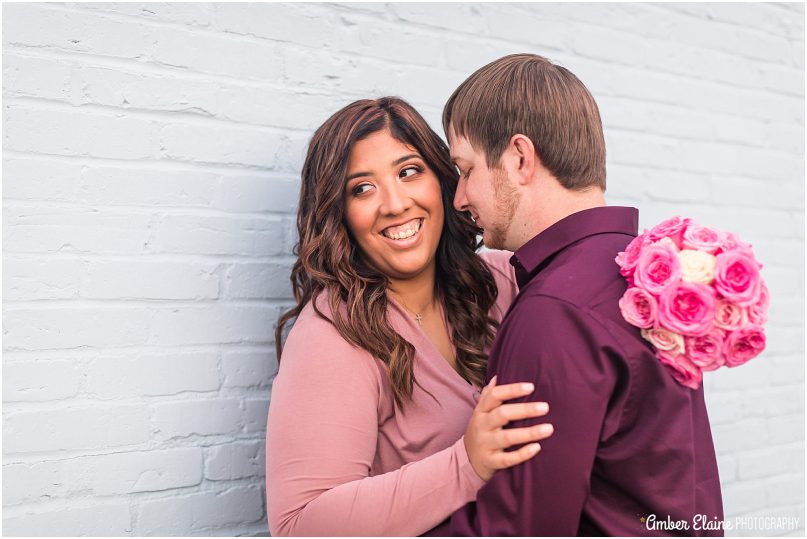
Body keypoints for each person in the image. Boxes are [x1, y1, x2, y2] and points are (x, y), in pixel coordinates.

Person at [428, 53, 725, 536]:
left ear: (519, 158)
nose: (460, 198)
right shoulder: (643, 275)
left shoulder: (553, 313)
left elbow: (522, 528)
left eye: (466, 170)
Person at [265, 97, 555, 536]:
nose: (395, 204)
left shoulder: (502, 282)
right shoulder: (334, 334)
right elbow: (299, 525)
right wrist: (466, 465)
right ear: (339, 213)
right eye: (362, 188)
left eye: (408, 172)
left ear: (442, 181)